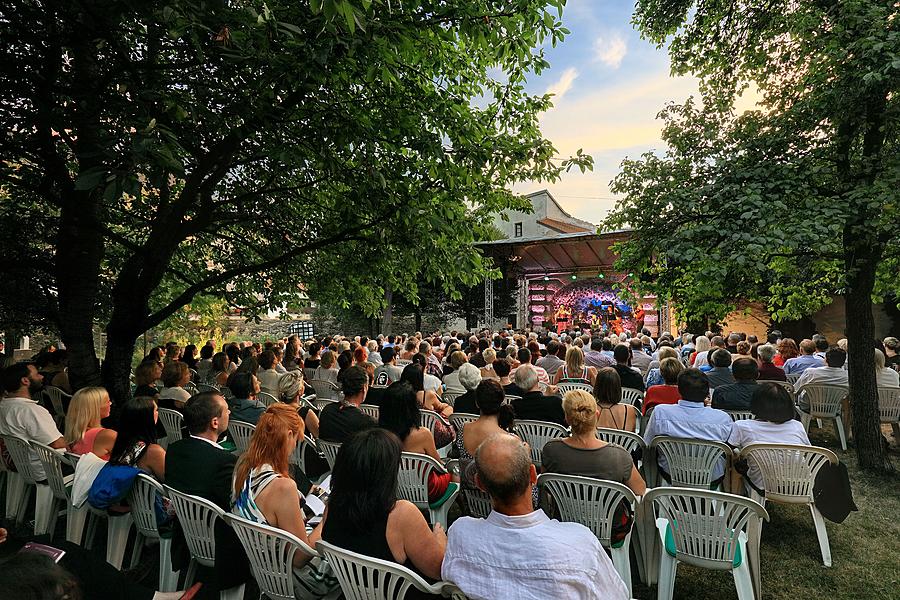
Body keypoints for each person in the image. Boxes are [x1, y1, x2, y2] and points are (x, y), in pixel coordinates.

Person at [442, 434, 629, 600]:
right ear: (533, 475)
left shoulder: (460, 533)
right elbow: (618, 595)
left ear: (479, 484)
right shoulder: (581, 543)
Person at [321, 428, 447, 586]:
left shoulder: (331, 507)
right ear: (386, 473)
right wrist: (440, 539)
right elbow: (439, 570)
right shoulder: (402, 514)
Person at [165, 391, 250, 593]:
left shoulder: (175, 449)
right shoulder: (223, 461)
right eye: (225, 410)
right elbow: (234, 506)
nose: (229, 411)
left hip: (186, 534)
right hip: (220, 545)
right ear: (214, 422)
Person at [232, 404, 322, 568]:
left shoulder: (243, 466)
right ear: (288, 435)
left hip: (261, 566)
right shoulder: (283, 487)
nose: (295, 445)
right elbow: (299, 558)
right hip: (289, 575)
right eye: (296, 439)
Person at [542, 390, 646, 496]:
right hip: (609, 512)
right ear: (597, 414)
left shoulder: (551, 450)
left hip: (562, 512)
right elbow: (640, 490)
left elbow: (544, 485)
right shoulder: (619, 456)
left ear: (567, 418)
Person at [642, 369, 733, 483]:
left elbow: (648, 443)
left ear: (679, 390)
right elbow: (730, 450)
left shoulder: (661, 412)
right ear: (707, 393)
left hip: (670, 472)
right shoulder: (722, 418)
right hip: (711, 475)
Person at [379, 381, 458, 503]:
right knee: (456, 474)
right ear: (412, 407)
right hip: (425, 489)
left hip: (393, 487)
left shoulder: (380, 434)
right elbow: (439, 466)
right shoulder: (422, 434)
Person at [728, 383, 810, 492]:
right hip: (798, 483)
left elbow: (729, 448)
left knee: (735, 458)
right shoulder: (797, 425)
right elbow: (807, 450)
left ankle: (734, 494)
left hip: (763, 484)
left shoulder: (742, 426)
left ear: (756, 403)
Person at [0, 362, 65, 480]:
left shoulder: (4, 405)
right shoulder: (31, 411)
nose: (42, 377)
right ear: (25, 381)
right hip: (46, 470)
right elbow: (57, 443)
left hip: (19, 465)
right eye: (37, 374)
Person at [109, 396, 166, 481]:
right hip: (150, 493)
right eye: (156, 410)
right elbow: (171, 482)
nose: (158, 413)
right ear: (147, 417)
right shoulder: (153, 452)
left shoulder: (121, 444)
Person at [318, 365, 377, 443]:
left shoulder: (327, 411)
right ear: (364, 389)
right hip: (353, 455)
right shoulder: (368, 423)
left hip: (329, 455)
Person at [65, 386, 117, 459]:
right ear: (96, 408)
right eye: (107, 401)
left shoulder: (74, 435)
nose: (110, 404)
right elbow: (133, 456)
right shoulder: (106, 435)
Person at [794, 346, 849, 412]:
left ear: (825, 359)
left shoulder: (811, 372)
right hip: (834, 408)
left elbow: (795, 389)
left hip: (809, 406)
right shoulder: (847, 376)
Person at [277, 371, 319, 439]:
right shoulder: (306, 413)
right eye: (303, 384)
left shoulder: (275, 410)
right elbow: (319, 436)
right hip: (302, 449)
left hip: (280, 448)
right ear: (299, 391)